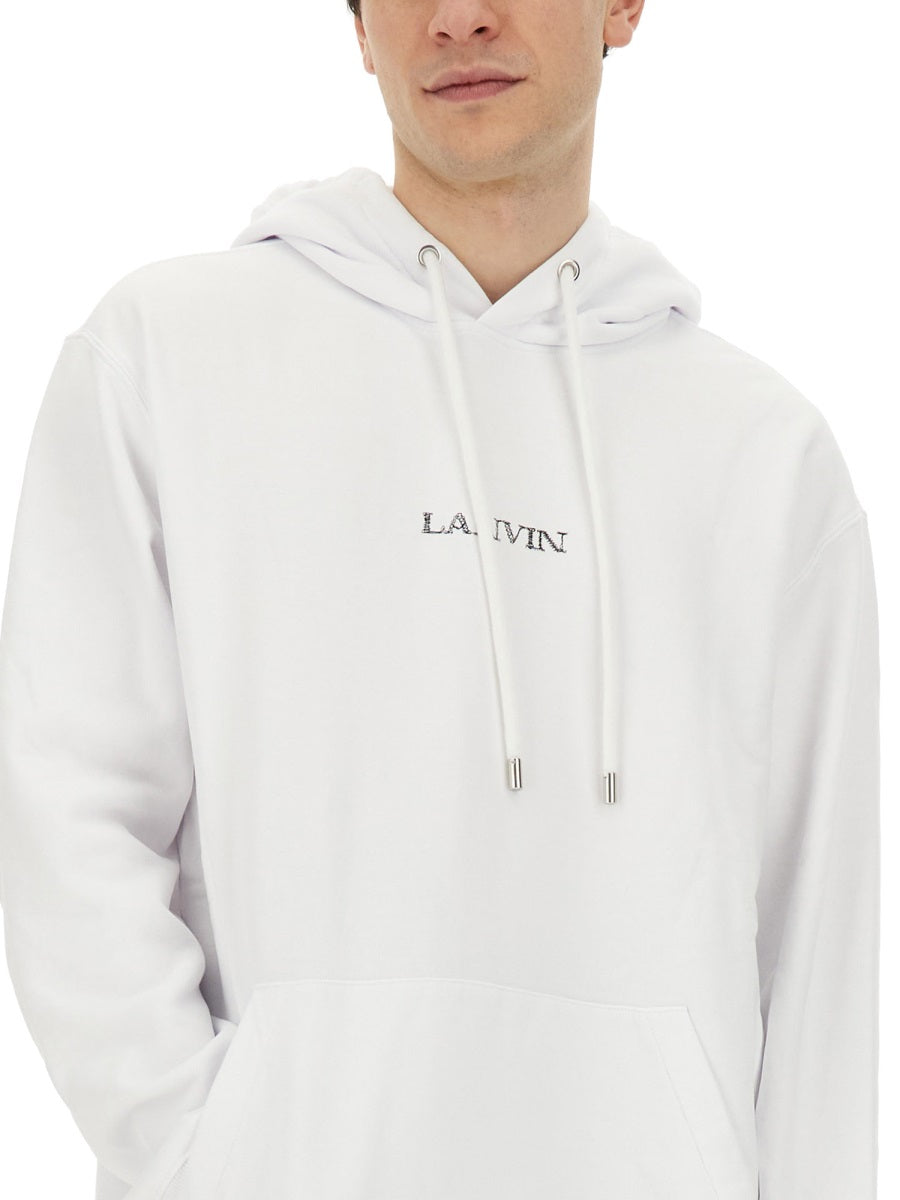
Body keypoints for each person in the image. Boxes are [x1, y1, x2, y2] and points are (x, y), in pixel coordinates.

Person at [0, 1, 880, 1198]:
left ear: (623, 6)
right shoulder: (168, 356)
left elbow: (824, 937)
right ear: (360, 29)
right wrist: (207, 1158)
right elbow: (66, 813)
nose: (459, 18)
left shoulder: (763, 455)